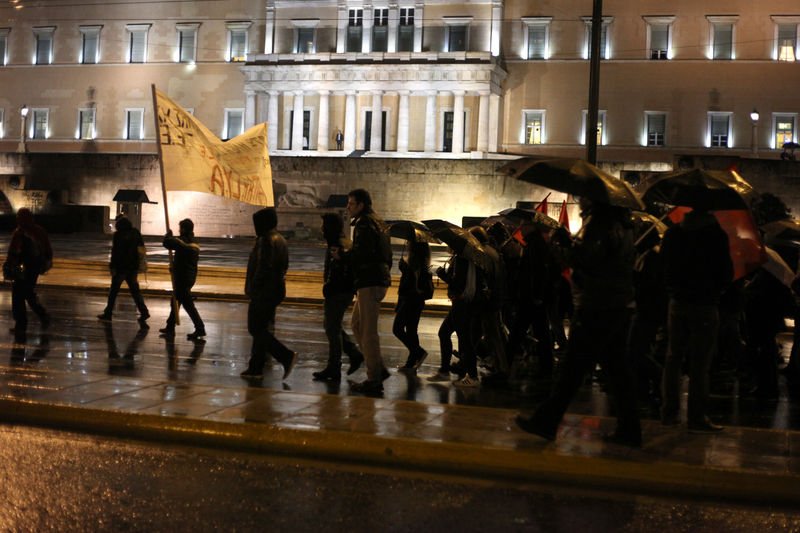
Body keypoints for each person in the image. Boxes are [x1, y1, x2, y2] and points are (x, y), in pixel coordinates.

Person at [516, 197, 642, 447]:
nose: (581, 201)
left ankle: (547, 421)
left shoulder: (600, 223)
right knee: (617, 372)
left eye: (584, 195)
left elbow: (588, 262)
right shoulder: (624, 224)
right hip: (617, 303)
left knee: (573, 367)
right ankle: (630, 429)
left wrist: (564, 245)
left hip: (598, 303)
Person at [659, 202, 733, 433]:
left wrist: (673, 288)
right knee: (700, 363)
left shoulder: (673, 233)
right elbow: (726, 272)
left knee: (673, 358)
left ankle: (669, 413)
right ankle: (697, 416)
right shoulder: (715, 235)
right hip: (705, 303)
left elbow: (664, 267)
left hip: (678, 301)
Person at [341, 188, 392, 395]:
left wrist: (344, 255)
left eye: (351, 204)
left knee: (369, 332)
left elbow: (362, 254)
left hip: (369, 281)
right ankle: (377, 367)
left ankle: (374, 379)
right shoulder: (377, 221)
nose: (348, 207)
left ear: (361, 205)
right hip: (375, 278)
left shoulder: (364, 224)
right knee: (357, 324)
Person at [240, 207, 297, 381]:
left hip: (263, 291)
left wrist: (253, 288)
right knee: (262, 329)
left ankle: (285, 356)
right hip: (276, 289)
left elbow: (263, 267)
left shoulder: (265, 239)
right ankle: (256, 367)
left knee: (255, 328)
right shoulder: (280, 239)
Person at [313, 213, 364, 382]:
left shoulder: (338, 245)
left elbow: (338, 271)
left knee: (332, 329)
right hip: (342, 291)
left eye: (324, 225)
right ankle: (353, 354)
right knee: (331, 326)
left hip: (338, 292)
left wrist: (328, 288)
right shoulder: (342, 242)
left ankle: (334, 367)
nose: (321, 229)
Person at [5, 208, 52, 334]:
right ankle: (41, 315)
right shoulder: (39, 231)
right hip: (34, 268)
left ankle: (22, 322)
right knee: (28, 293)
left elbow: (13, 252)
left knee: (19, 295)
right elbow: (47, 250)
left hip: (22, 269)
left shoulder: (20, 233)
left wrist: (9, 264)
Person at [159, 218, 206, 340]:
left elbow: (168, 243)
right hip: (188, 276)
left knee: (187, 304)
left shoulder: (185, 242)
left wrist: (167, 236)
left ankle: (200, 328)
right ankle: (170, 326)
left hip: (183, 277)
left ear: (184, 229)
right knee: (176, 301)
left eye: (180, 228)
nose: (179, 230)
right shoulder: (194, 242)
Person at [97, 215, 149, 323]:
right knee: (135, 292)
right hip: (133, 267)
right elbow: (141, 248)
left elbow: (115, 252)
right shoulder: (136, 233)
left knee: (113, 292)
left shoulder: (118, 235)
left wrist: (112, 266)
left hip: (121, 268)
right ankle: (144, 312)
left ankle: (108, 313)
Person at [394, 239, 432, 372]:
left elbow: (413, 283)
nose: (408, 243)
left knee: (397, 328)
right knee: (411, 331)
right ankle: (411, 363)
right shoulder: (421, 261)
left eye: (409, 242)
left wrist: (405, 269)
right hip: (415, 301)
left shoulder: (415, 261)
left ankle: (418, 352)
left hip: (410, 300)